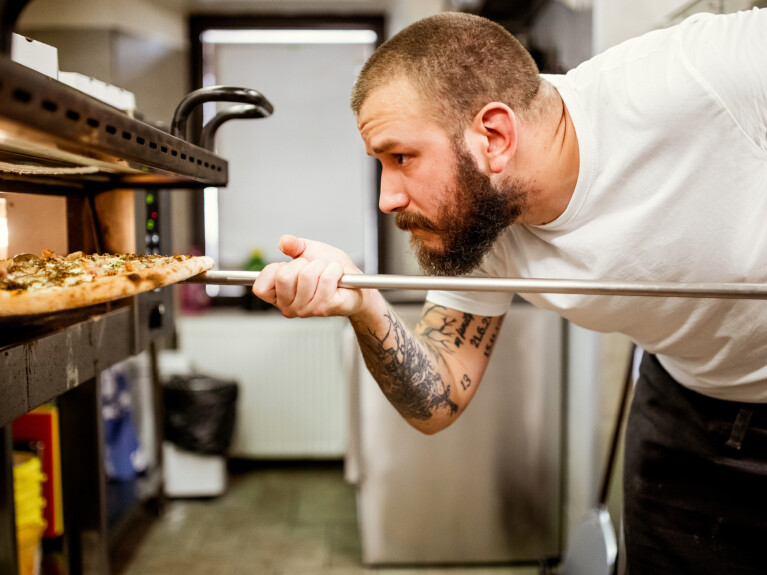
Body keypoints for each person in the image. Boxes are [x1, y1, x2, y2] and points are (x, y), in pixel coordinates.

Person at [252, 8, 767, 574]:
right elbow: (438, 397)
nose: (387, 198)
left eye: (401, 157)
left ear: (493, 136)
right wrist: (363, 305)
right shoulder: (482, 225)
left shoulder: (702, 73)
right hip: (685, 408)